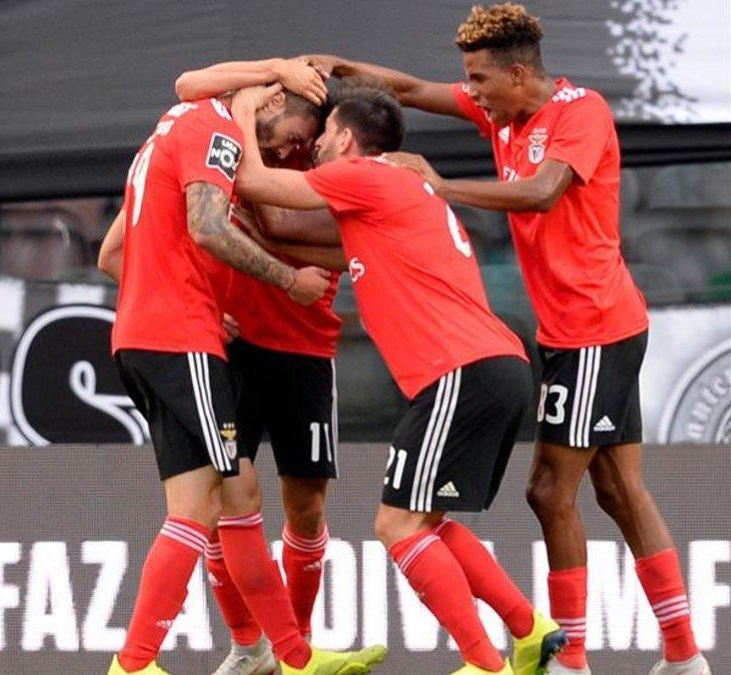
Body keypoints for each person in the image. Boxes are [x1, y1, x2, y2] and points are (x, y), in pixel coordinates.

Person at [300, 5, 710, 674]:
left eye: (480, 81)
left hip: (594, 327)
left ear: (519, 73)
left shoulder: (581, 112)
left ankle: (570, 657)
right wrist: (338, 68)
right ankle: (684, 653)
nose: (473, 93)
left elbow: (545, 191)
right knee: (619, 490)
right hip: (574, 329)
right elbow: (406, 91)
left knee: (551, 490)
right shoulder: (504, 111)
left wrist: (439, 183)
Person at [230, 81, 566, 675]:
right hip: (495, 367)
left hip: (459, 370)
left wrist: (242, 110)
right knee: (428, 521)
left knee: (397, 524)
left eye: (323, 136)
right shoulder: (391, 198)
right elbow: (282, 234)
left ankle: (484, 665)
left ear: (347, 139)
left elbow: (255, 184)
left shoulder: (365, 177)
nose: (314, 150)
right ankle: (529, 628)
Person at [103, 73, 385, 675]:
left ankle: (288, 652)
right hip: (197, 341)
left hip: (268, 345)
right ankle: (164, 660)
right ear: (277, 101)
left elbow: (118, 251)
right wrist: (266, 77)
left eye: (309, 141)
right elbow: (222, 219)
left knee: (243, 503)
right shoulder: (219, 136)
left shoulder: (174, 132)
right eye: (297, 133)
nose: (294, 148)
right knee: (210, 509)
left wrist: (263, 82)